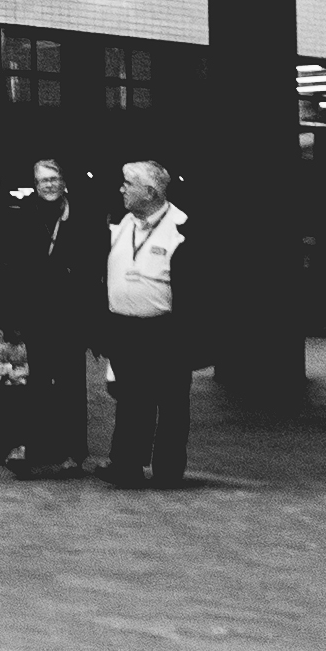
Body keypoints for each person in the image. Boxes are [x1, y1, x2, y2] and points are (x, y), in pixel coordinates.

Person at [101, 160, 198, 487]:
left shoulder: (183, 227)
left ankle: (168, 471)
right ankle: (126, 465)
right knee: (130, 399)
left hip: (166, 330)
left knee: (171, 401)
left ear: (151, 191)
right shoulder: (121, 222)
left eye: (128, 183)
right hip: (123, 328)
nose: (121, 188)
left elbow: (199, 288)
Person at [8, 158, 101, 477]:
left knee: (71, 385)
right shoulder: (23, 216)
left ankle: (74, 453)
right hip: (37, 314)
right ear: (34, 184)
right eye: (41, 180)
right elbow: (14, 265)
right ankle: (36, 448)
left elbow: (93, 267)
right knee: (38, 383)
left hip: (71, 315)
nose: (48, 184)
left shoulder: (82, 217)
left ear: (64, 181)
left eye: (53, 178)